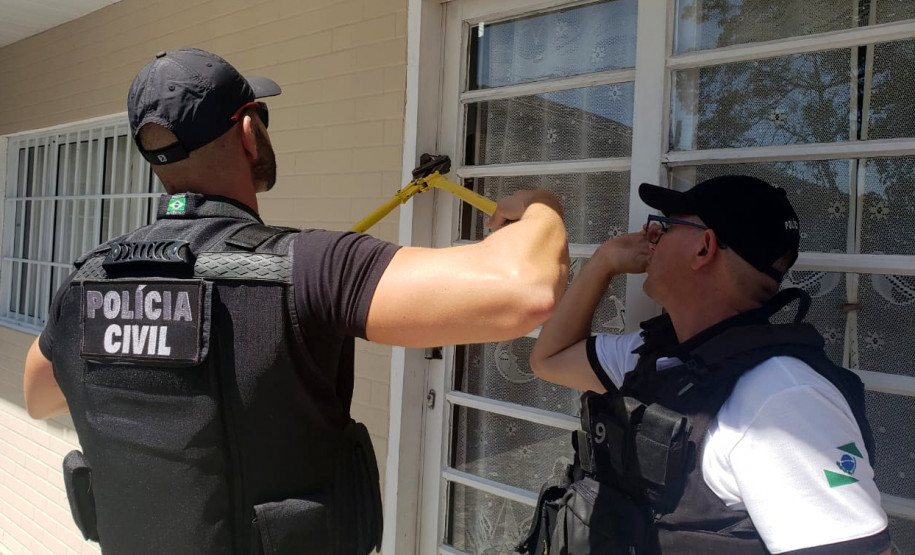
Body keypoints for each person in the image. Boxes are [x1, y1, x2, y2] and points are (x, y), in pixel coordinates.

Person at [22, 48, 569, 555]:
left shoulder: (88, 283)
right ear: (247, 132)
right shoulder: (308, 267)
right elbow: (524, 288)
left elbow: (39, 394)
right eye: (261, 114)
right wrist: (539, 206)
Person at [521, 176, 891, 555]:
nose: (651, 237)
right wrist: (601, 263)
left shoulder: (782, 400)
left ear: (704, 247)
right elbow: (548, 359)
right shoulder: (659, 355)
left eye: (665, 227)